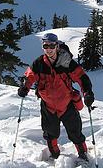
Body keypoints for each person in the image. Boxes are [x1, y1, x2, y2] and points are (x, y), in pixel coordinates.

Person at [18, 33, 94, 162]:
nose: (49, 49)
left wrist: (87, 93)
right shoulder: (39, 63)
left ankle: (83, 155)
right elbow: (29, 75)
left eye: (51, 45)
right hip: (48, 106)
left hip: (67, 104)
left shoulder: (66, 62)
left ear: (57, 46)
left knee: (75, 132)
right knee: (50, 133)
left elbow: (82, 77)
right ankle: (55, 156)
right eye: (45, 45)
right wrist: (25, 87)